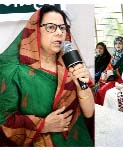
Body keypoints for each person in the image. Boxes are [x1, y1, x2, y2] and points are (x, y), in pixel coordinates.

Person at [0, 5, 94, 146]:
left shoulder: (71, 64)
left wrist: (82, 87)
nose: (59, 33)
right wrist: (43, 125)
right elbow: (4, 120)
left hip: (78, 140)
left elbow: (89, 113)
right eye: (51, 27)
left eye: (62, 28)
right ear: (36, 30)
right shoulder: (15, 72)